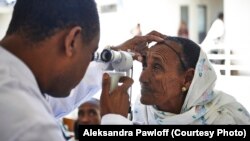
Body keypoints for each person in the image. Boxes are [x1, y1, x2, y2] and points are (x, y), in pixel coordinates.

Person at [0, 0, 163, 140]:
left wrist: (110, 60)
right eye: (92, 55)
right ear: (72, 41)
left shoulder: (14, 85)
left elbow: (49, 100)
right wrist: (114, 122)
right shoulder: (30, 125)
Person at [101, 35, 250, 124]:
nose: (142, 78)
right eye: (145, 65)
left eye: (157, 67)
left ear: (187, 79)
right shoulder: (142, 110)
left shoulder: (225, 118)